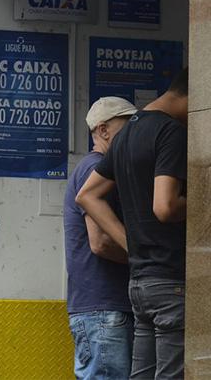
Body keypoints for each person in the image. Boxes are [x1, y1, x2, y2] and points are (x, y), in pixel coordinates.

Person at [77, 69, 188, 379]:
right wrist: (208, 204)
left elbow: (88, 196)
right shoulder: (171, 132)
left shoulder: (126, 135)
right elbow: (165, 207)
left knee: (142, 374)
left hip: (139, 284)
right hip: (170, 281)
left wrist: (133, 245)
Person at [64, 97, 136, 379]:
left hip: (100, 309)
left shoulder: (94, 168)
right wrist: (145, 260)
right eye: (127, 126)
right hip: (105, 309)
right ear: (103, 130)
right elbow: (101, 242)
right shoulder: (96, 169)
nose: (133, 133)